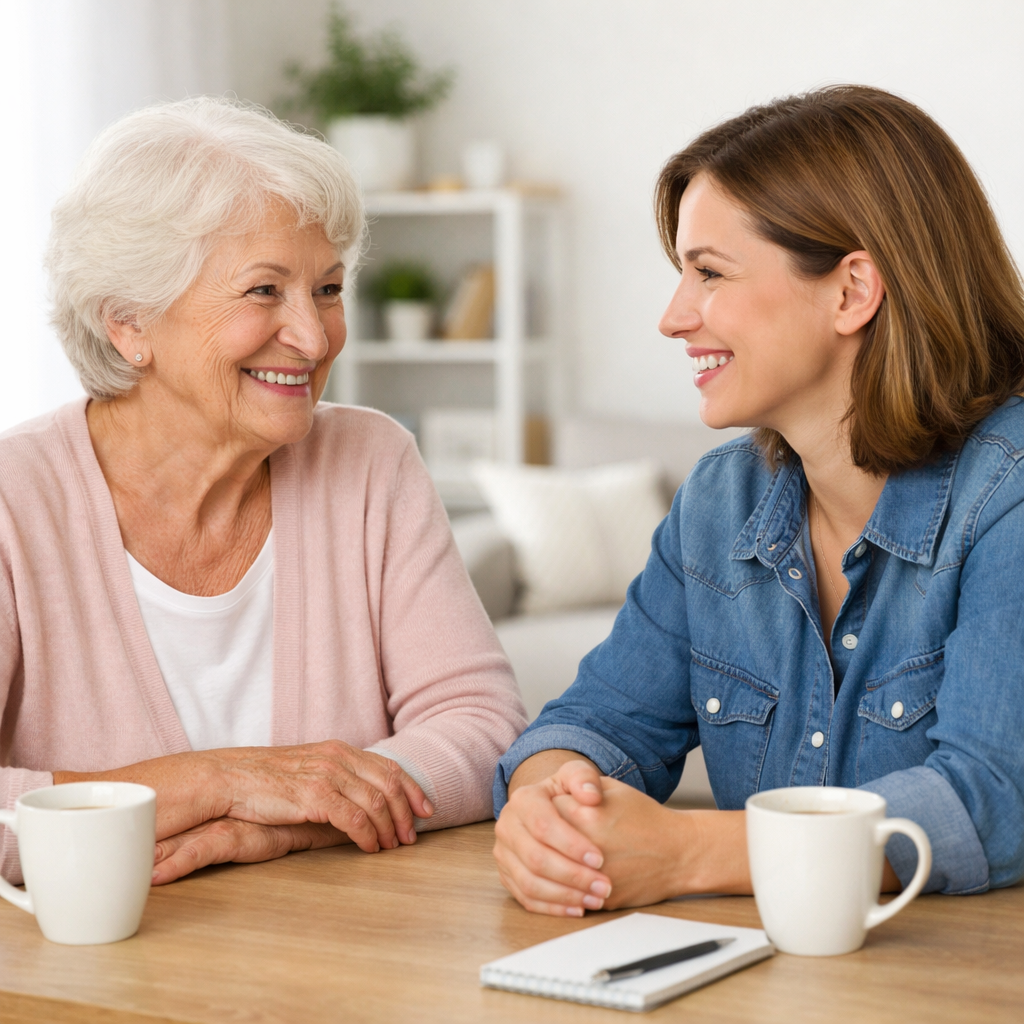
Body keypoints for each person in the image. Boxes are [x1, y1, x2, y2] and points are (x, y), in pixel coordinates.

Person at [492, 85, 1024, 917]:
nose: (674, 317)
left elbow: (993, 800)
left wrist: (687, 851)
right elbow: (598, 722)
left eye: (709, 272)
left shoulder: (1008, 490)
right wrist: (546, 807)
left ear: (852, 291)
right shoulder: (720, 499)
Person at [0, 97, 527, 886]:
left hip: (337, 966)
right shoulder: (16, 501)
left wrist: (291, 825)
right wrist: (220, 780)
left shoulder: (371, 461)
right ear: (129, 323)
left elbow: (483, 727)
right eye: (263, 291)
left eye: (327, 288)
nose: (314, 339)